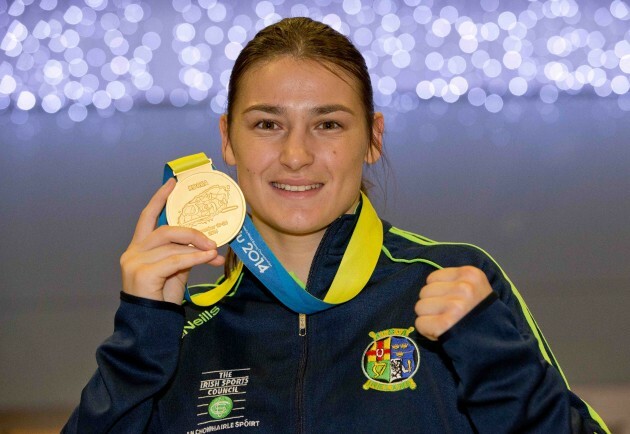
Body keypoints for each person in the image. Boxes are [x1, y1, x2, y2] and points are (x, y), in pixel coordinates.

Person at [63, 17, 609, 433]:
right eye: (267, 123)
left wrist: (494, 357)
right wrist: (141, 335)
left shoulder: (455, 284)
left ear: (373, 138)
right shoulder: (177, 334)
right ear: (228, 138)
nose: (296, 155)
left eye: (328, 123)